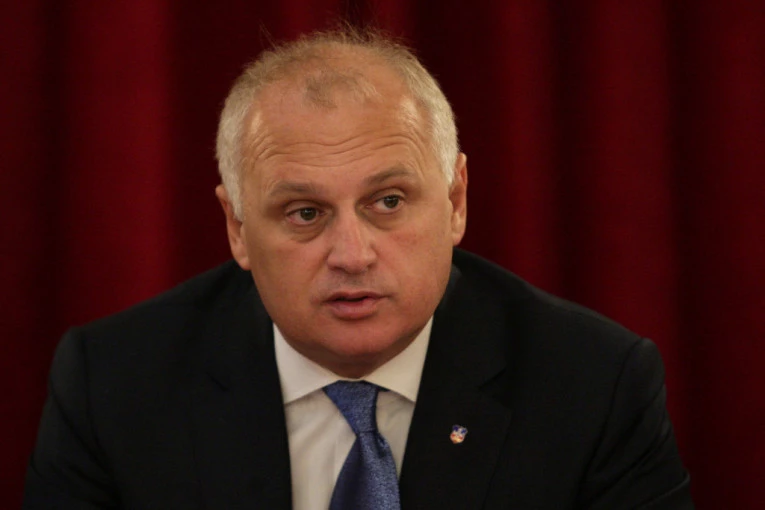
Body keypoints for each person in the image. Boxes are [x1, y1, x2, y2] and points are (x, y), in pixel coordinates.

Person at [24, 28, 693, 509]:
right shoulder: (114, 385)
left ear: (456, 202)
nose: (352, 254)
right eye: (304, 213)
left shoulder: (592, 384)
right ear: (237, 228)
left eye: (389, 202)